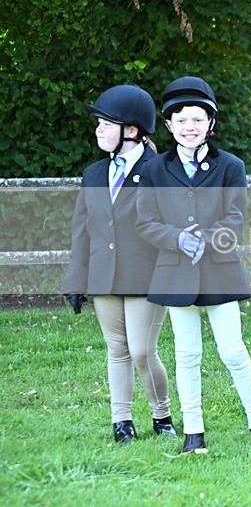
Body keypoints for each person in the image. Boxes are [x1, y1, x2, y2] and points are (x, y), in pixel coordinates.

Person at [135, 76, 251, 453]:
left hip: (219, 267)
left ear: (210, 124)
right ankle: (193, 432)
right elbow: (145, 221)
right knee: (187, 353)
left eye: (198, 119)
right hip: (175, 271)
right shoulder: (153, 170)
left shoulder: (230, 166)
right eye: (181, 120)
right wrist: (177, 238)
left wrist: (208, 237)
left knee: (233, 350)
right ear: (168, 126)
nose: (189, 127)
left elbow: (236, 217)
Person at [63, 84, 176, 443]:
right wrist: (75, 280)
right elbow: (82, 231)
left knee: (142, 351)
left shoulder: (159, 169)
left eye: (106, 123)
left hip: (147, 276)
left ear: (132, 130)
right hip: (103, 275)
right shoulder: (93, 174)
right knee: (117, 349)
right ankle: (121, 421)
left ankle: (162, 416)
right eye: (98, 122)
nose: (98, 129)